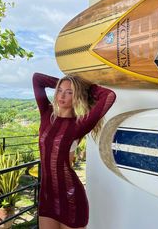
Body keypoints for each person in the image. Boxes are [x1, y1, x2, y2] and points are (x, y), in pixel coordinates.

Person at [32, 72, 116, 229]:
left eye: (69, 92)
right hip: (47, 196)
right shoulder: (46, 114)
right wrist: (66, 83)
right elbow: (37, 79)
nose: (62, 95)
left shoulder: (79, 124)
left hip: (71, 198)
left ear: (76, 96)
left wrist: (81, 88)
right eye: (59, 90)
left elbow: (109, 95)